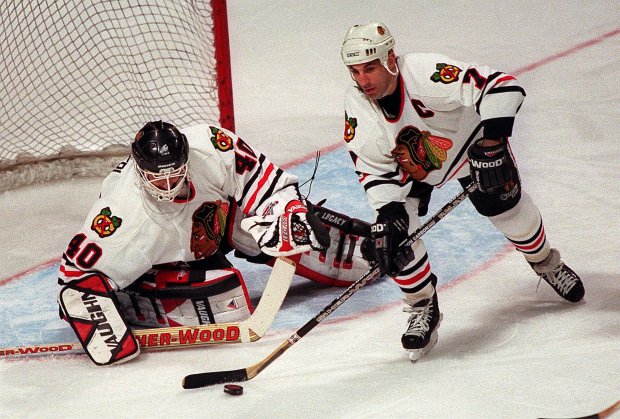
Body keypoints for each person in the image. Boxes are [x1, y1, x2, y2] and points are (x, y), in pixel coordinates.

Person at [340, 22, 584, 362]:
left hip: (472, 152)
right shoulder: (357, 105)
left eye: (370, 68)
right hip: (413, 169)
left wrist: (494, 142)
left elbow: (502, 86)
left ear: (390, 60)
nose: (363, 80)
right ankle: (423, 305)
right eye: (355, 71)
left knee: (511, 214)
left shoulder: (426, 73)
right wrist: (388, 212)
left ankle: (545, 262)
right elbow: (373, 167)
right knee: (392, 239)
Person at [57, 120, 371, 365]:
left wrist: (290, 210)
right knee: (228, 302)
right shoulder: (120, 215)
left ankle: (367, 250)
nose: (167, 186)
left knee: (287, 232)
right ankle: (139, 297)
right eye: (157, 178)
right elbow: (73, 277)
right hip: (160, 256)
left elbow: (262, 179)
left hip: (210, 222)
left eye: (174, 174)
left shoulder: (210, 146)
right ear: (140, 171)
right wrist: (97, 321)